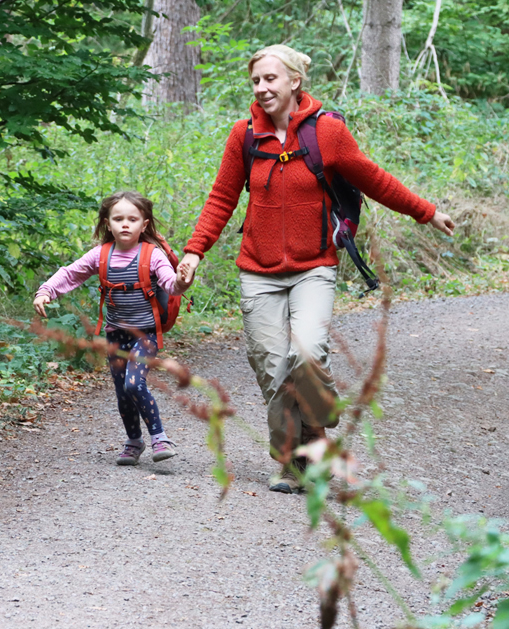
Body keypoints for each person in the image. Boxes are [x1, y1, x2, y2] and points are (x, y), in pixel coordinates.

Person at [177, 45, 455, 494]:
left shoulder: (326, 133)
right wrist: (194, 252)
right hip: (258, 270)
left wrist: (426, 212)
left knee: (305, 355)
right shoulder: (243, 136)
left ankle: (316, 430)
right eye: (255, 81)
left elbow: (373, 178)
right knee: (272, 369)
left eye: (271, 79)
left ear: (294, 81)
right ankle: (297, 456)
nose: (262, 88)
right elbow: (222, 198)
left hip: (314, 268)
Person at [34, 191, 190, 466]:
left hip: (146, 334)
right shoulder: (100, 255)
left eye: (133, 219)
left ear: (144, 224)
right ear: (108, 223)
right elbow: (71, 273)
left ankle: (160, 438)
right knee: (122, 391)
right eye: (118, 218)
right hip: (115, 334)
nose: (125, 224)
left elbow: (170, 284)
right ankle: (133, 441)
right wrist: (46, 291)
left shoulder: (152, 255)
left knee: (134, 382)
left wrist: (182, 283)